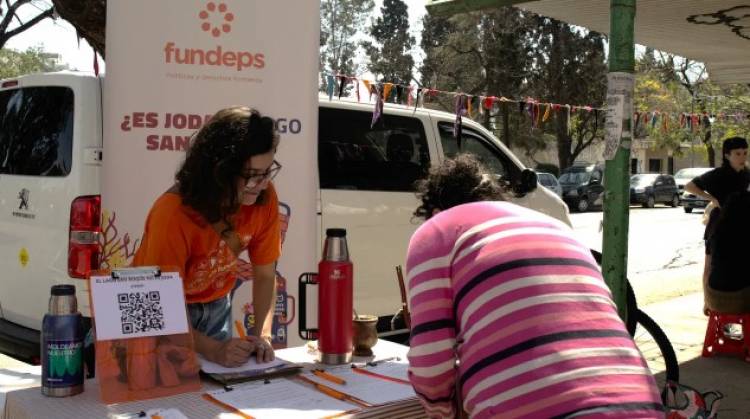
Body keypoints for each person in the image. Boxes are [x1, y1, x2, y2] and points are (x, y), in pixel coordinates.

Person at [405, 155, 663, 418]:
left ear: (434, 210)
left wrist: (443, 411)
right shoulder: (555, 227)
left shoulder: (435, 232)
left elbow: (431, 368)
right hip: (641, 403)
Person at [133, 106, 282, 367]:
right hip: (166, 316)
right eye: (251, 177)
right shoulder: (172, 213)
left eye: (267, 173)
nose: (262, 185)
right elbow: (157, 307)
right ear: (220, 171)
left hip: (216, 308)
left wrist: (263, 335)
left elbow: (266, 275)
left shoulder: (264, 197)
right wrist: (212, 349)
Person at [684, 136, 749, 314]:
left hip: (741, 225)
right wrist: (711, 198)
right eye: (738, 154)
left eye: (744, 153)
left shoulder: (746, 174)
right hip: (719, 225)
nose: (742, 157)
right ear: (727, 155)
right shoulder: (718, 175)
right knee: (710, 265)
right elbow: (689, 186)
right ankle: (707, 301)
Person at [705, 190, 750, 313]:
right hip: (742, 298)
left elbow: (707, 271)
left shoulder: (716, 233)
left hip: (713, 297)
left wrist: (706, 302)